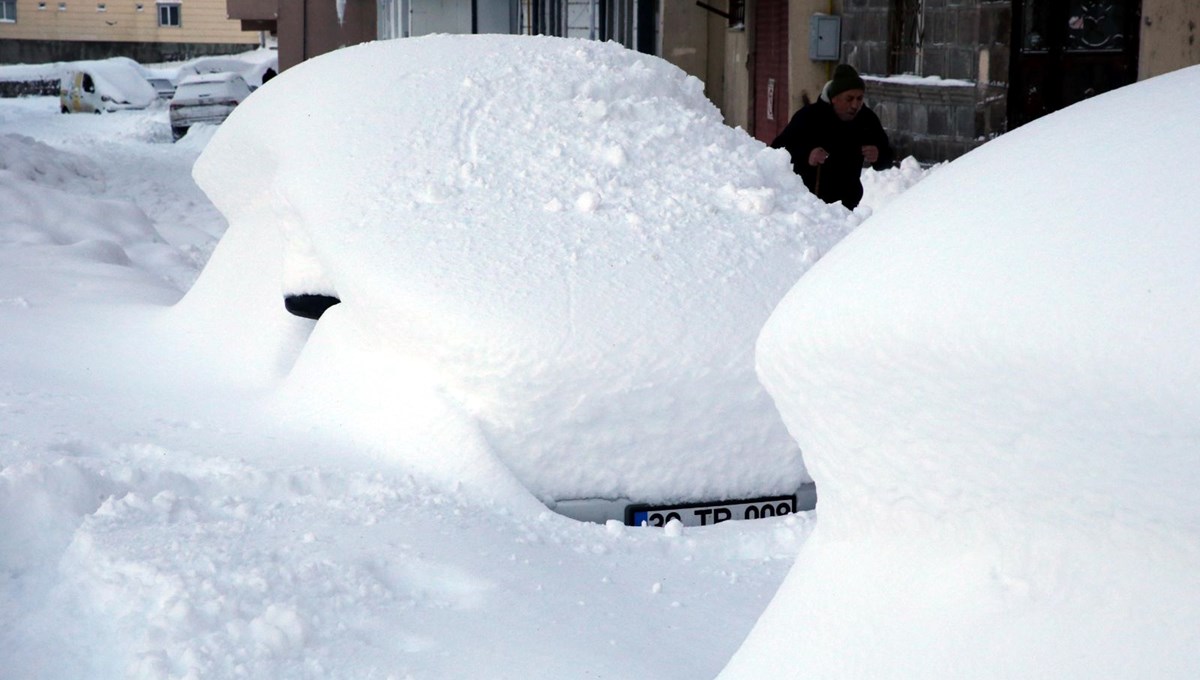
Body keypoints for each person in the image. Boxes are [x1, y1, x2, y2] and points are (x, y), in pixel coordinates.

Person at [770, 64, 894, 210]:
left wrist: (878, 155)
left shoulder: (866, 120)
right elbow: (776, 153)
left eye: (859, 98)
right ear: (834, 98)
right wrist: (807, 155)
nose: (855, 105)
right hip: (805, 206)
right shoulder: (809, 117)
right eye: (849, 99)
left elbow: (888, 157)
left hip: (847, 207)